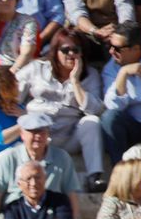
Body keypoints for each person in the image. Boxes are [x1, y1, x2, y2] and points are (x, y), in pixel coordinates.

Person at [18, 27, 103, 184]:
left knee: (92, 122)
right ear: (56, 52)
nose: (71, 54)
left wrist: (75, 81)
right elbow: (12, 94)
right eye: (65, 50)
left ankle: (94, 177)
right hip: (39, 134)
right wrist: (21, 114)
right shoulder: (37, 69)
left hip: (70, 136)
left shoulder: (91, 75)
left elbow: (96, 110)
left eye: (75, 50)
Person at [100, 22, 141, 169]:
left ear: (135, 49)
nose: (111, 51)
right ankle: (121, 171)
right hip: (134, 126)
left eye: (117, 48)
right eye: (109, 46)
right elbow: (113, 106)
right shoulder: (111, 68)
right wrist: (123, 74)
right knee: (109, 118)